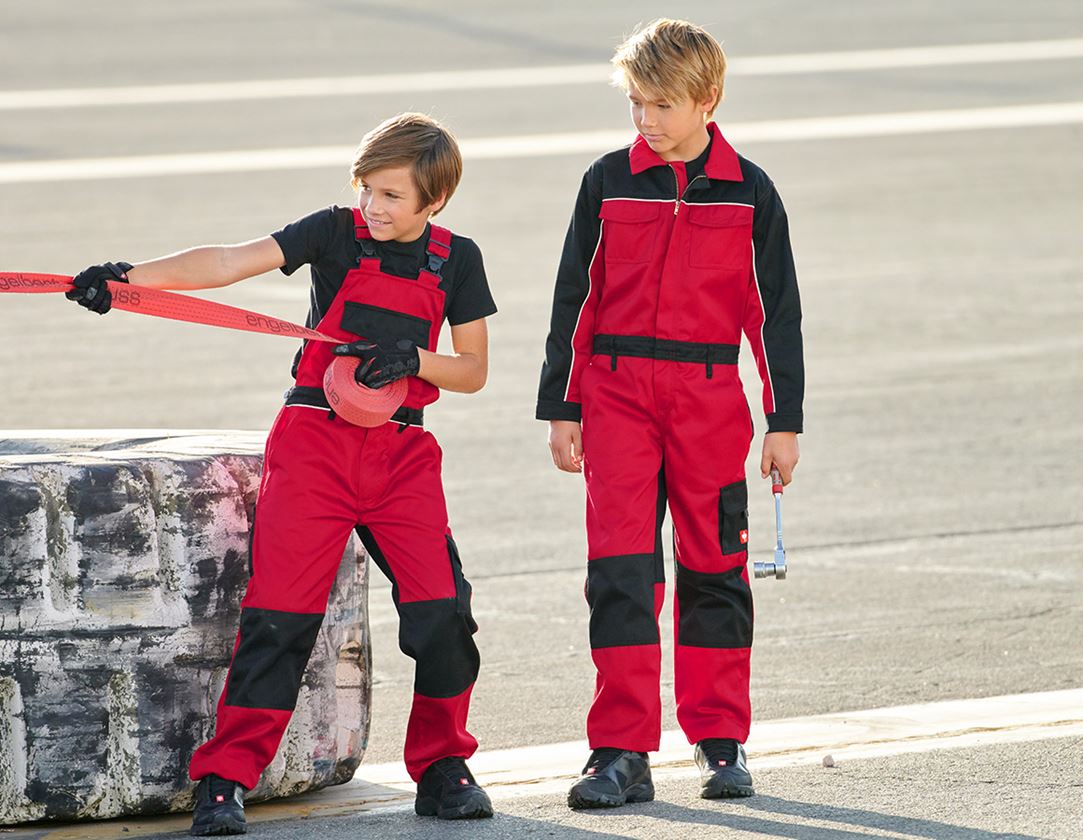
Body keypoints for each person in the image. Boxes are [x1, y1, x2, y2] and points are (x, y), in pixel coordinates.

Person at [68, 113, 498, 834]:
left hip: (402, 456)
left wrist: (413, 359)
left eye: (392, 196)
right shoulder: (333, 231)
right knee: (279, 621)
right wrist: (128, 280)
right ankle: (224, 780)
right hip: (314, 446)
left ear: (435, 202)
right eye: (367, 189)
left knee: (445, 613)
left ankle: (444, 766)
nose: (374, 206)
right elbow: (230, 262)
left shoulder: (457, 259)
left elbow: (474, 371)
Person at [537, 19, 804, 808]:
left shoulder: (751, 191)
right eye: (635, 103)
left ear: (707, 100)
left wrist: (782, 418)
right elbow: (571, 298)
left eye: (659, 104)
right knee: (619, 573)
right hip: (616, 396)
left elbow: (776, 313)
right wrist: (563, 402)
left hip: (709, 403)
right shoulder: (607, 181)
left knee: (714, 568)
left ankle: (719, 741)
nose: (644, 119)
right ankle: (619, 750)